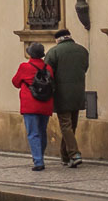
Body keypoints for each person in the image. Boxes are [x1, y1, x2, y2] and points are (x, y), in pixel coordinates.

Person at [45, 28, 90, 168]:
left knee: (65, 125)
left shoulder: (54, 52)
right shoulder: (82, 51)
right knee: (72, 125)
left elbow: (47, 73)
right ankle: (65, 156)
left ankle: (74, 154)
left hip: (61, 94)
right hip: (78, 93)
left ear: (58, 40)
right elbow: (85, 68)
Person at [12, 42, 54, 171]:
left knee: (33, 133)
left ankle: (38, 161)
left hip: (30, 104)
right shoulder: (49, 68)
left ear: (30, 53)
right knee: (42, 132)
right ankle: (39, 157)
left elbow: (15, 82)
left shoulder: (25, 67)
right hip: (46, 104)